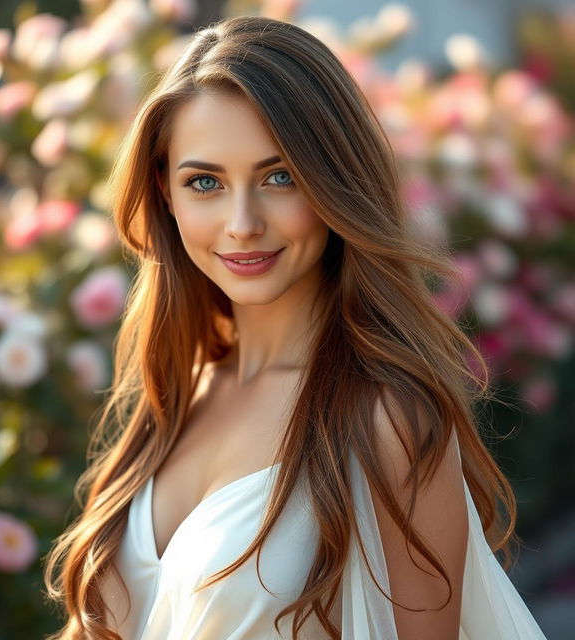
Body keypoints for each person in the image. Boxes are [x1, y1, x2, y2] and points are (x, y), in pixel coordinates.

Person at [43, 15, 549, 640]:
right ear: (165, 194)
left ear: (336, 182)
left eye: (279, 177)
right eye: (205, 182)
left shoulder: (387, 416)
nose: (242, 222)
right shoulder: (178, 394)